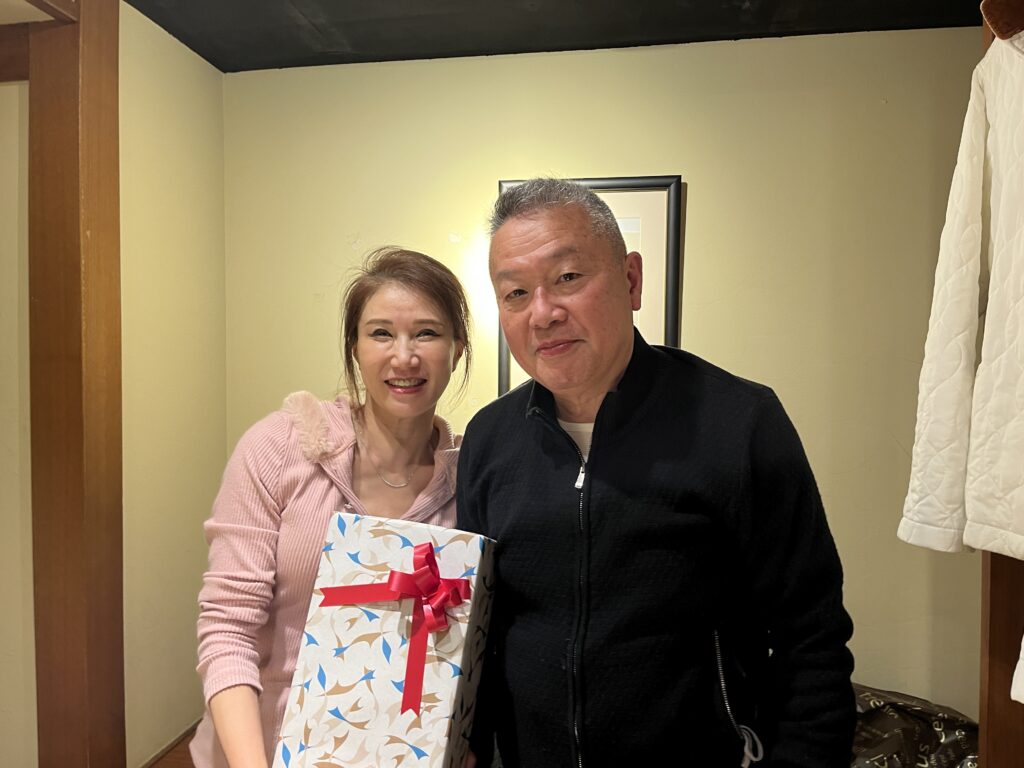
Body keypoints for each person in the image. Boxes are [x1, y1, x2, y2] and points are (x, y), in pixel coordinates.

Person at [457, 178, 855, 767]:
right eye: (515, 293)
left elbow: (812, 639)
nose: (542, 313)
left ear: (631, 280)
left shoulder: (739, 422)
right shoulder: (489, 439)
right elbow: (479, 632)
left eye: (568, 277)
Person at [190, 247, 472, 768]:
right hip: (263, 748)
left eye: (427, 333)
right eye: (381, 333)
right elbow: (228, 628)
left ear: (457, 350)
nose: (404, 356)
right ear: (354, 348)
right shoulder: (282, 448)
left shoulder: (470, 479)